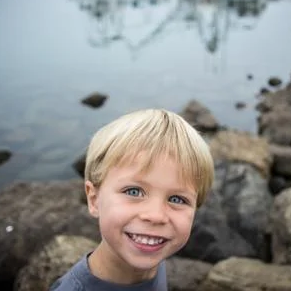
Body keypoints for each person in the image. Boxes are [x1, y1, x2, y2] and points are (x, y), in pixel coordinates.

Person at [50, 108, 215, 291]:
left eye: (176, 199)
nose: (155, 216)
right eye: (134, 192)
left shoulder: (153, 252)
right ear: (94, 199)